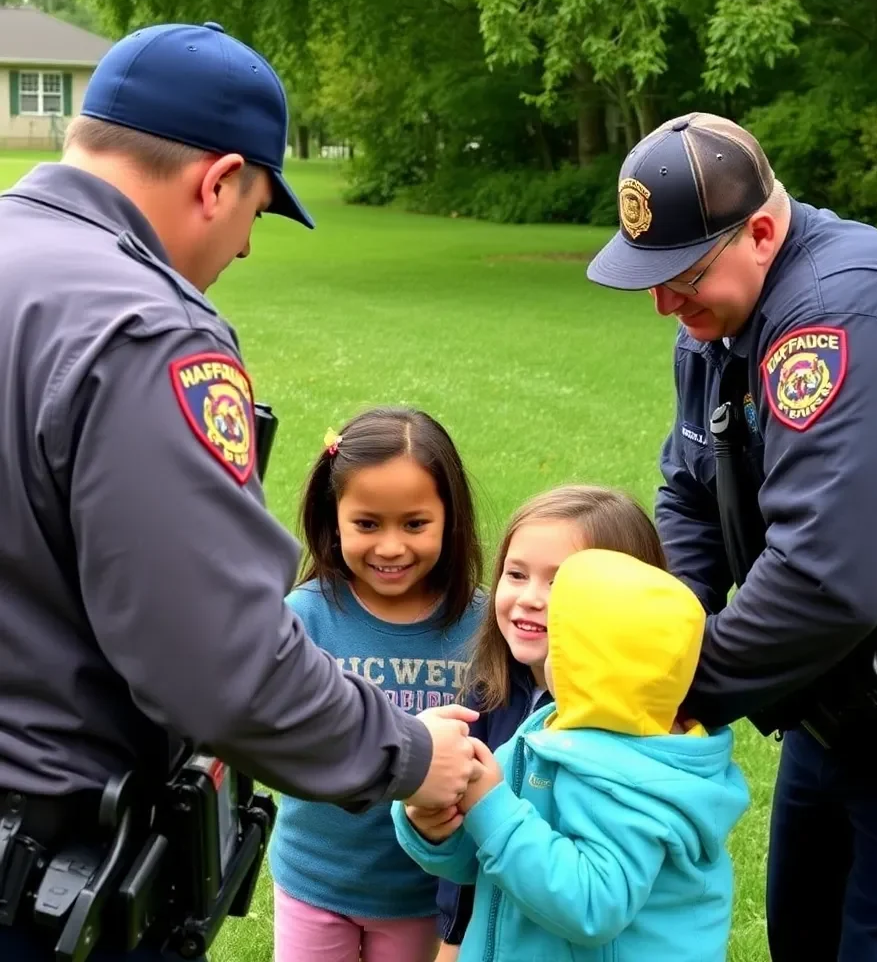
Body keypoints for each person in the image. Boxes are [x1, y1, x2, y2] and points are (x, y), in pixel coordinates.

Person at [0, 22, 478, 961]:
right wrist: (412, 756)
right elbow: (221, 668)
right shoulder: (146, 328)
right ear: (217, 181)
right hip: (42, 882)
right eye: (256, 210)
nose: (247, 248)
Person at [584, 111, 877, 961]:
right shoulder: (718, 324)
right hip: (844, 708)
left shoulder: (842, 316)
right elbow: (691, 493)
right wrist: (649, 632)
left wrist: (669, 691)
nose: (662, 302)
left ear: (760, 231)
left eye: (684, 272)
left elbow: (831, 579)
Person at [393, 545, 750, 962]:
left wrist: (492, 808)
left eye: (561, 639)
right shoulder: (549, 729)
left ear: (593, 661)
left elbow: (593, 907)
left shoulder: (637, 781)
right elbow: (481, 858)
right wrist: (434, 823)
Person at [268, 407, 486, 962]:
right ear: (333, 518)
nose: (391, 548)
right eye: (367, 524)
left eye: (415, 524)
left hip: (419, 891)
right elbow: (276, 737)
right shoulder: (303, 618)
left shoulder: (482, 626)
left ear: (450, 519)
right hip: (314, 881)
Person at [435, 484, 674, 958]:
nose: (529, 598)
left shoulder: (631, 737)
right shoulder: (488, 693)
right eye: (516, 574)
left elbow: (597, 896)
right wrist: (426, 815)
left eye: (559, 584)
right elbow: (467, 849)